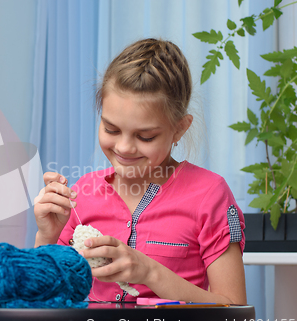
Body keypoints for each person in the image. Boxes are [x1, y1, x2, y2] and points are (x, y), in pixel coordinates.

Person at [33, 38, 246, 305]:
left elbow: (235, 316)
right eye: (111, 129)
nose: (123, 147)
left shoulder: (209, 195)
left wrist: (149, 272)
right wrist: (47, 237)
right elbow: (42, 299)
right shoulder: (81, 195)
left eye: (145, 136)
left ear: (179, 129)